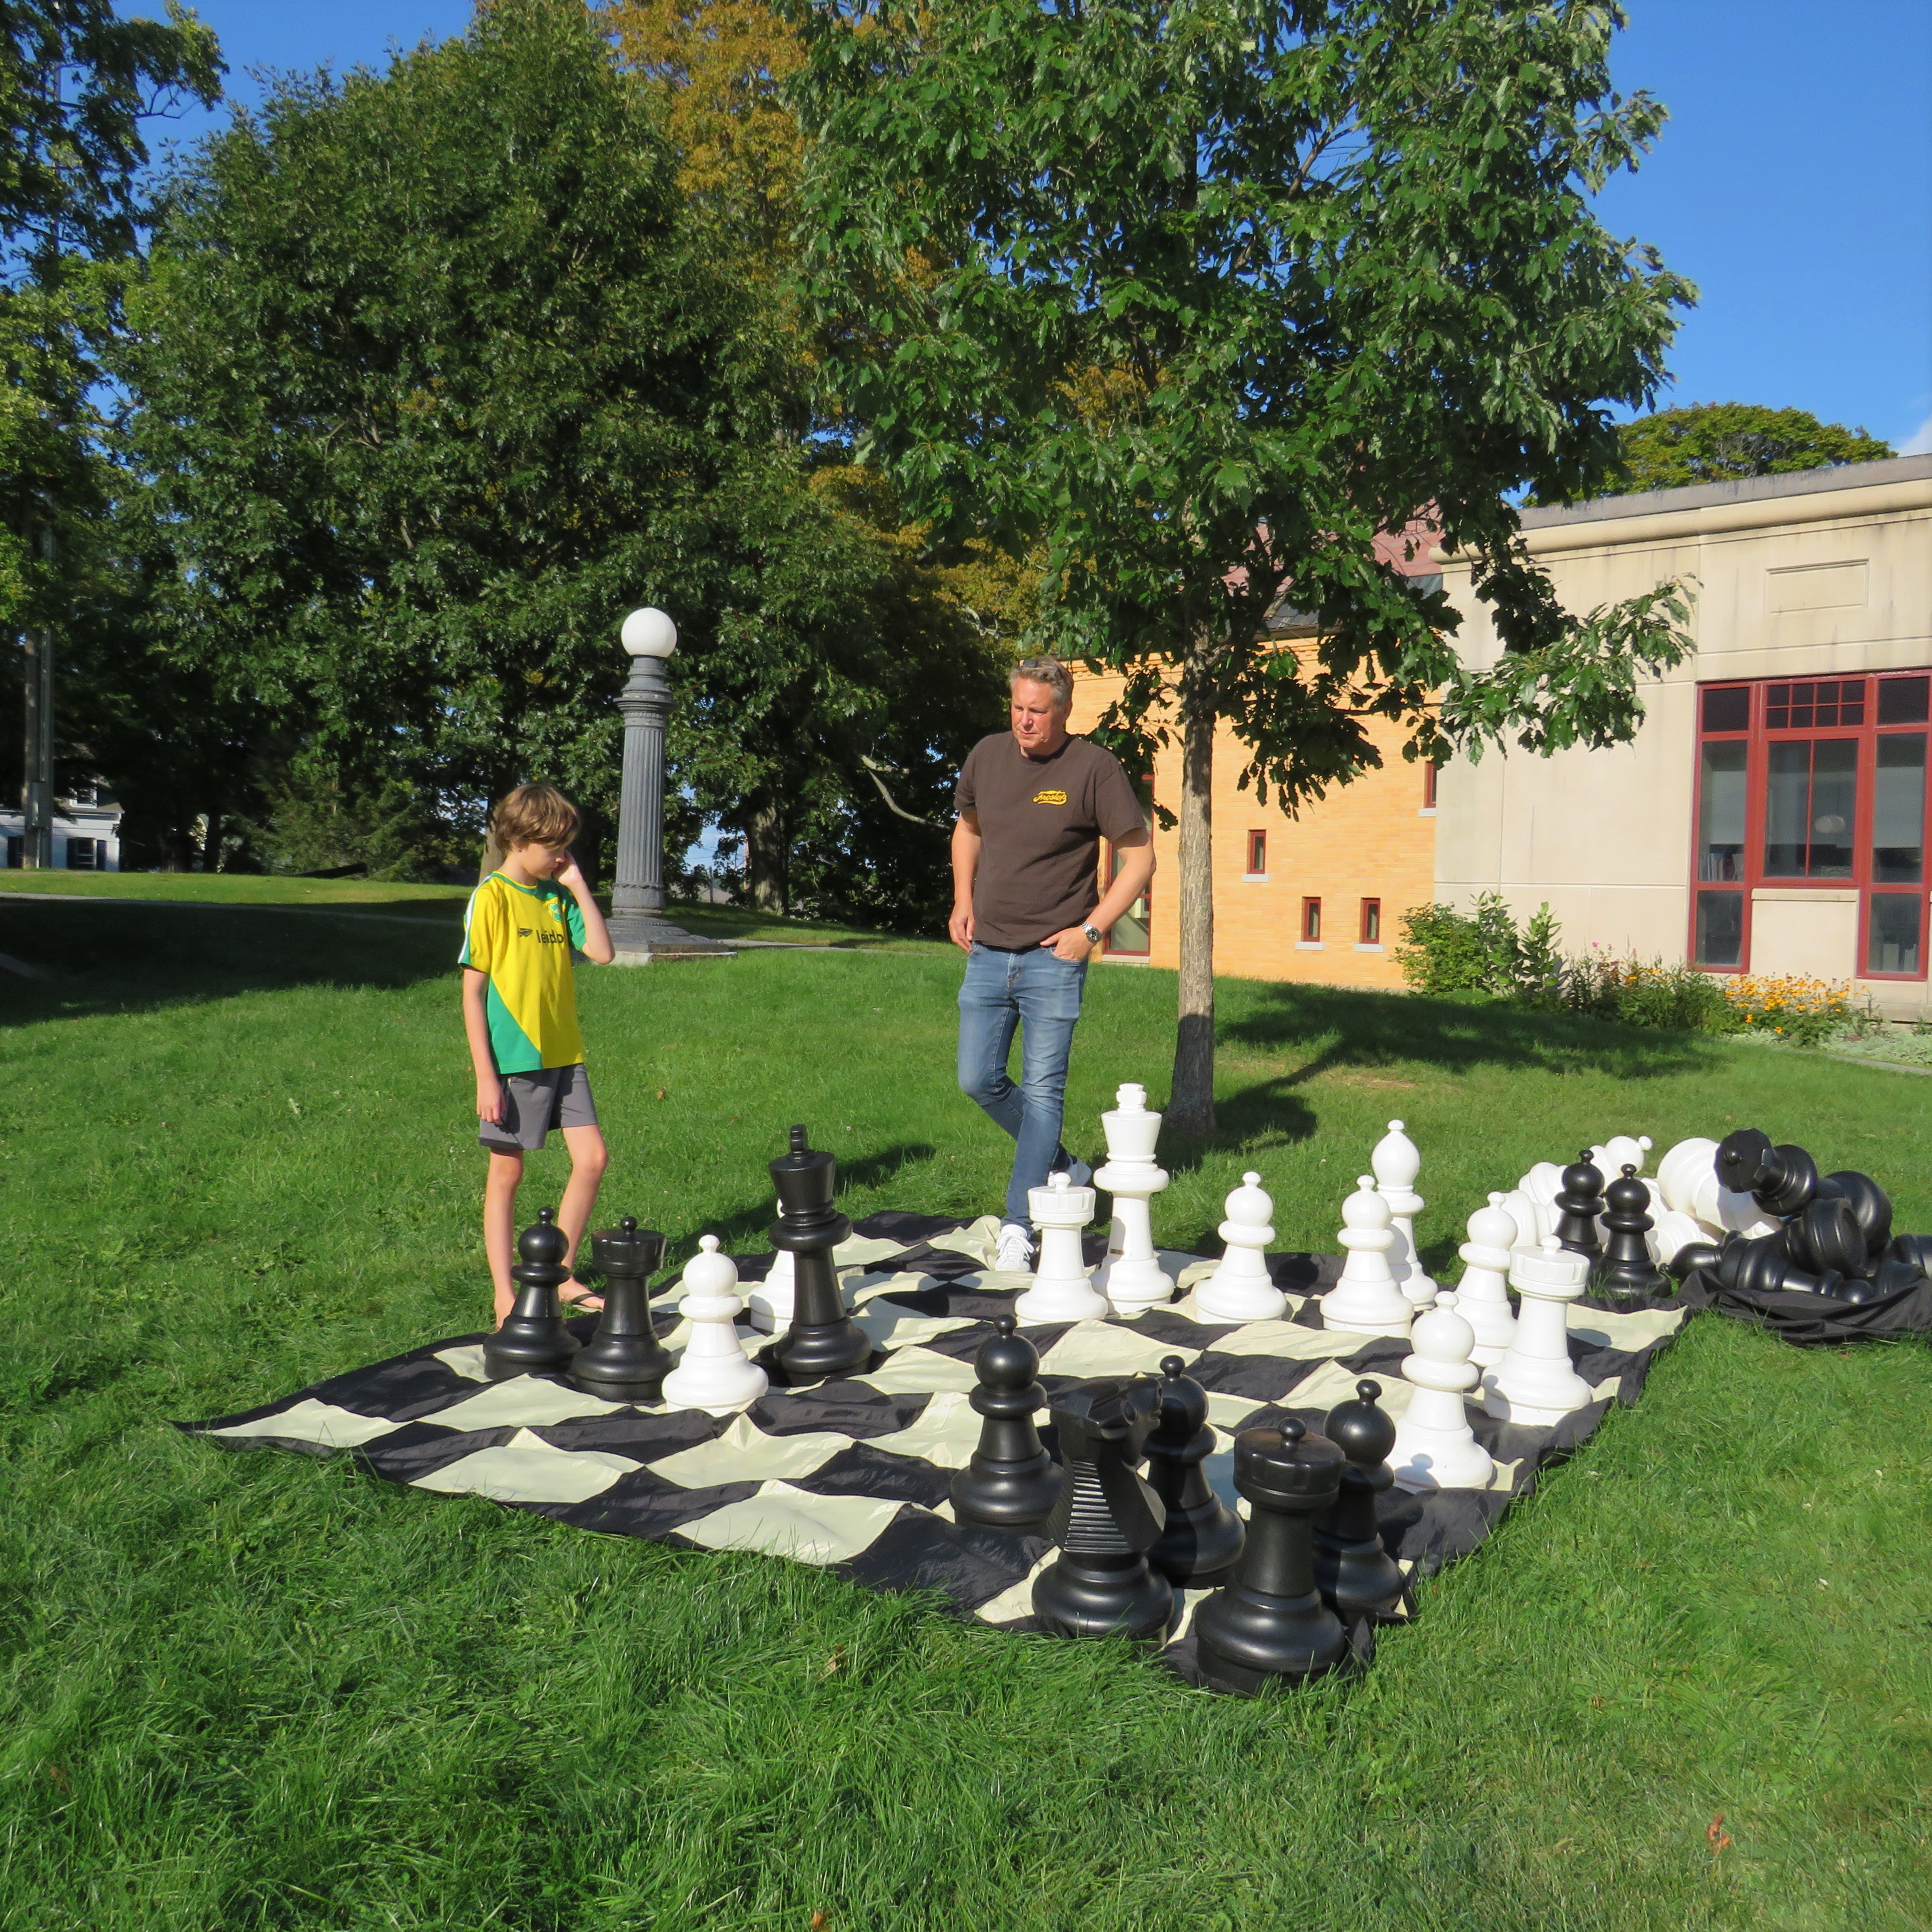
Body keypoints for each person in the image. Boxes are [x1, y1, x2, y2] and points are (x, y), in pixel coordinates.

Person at [951, 656, 1156, 1273]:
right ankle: (1066, 1168)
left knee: (1042, 1092)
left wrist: (1093, 930)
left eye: (1037, 711)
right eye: (1017, 708)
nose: (1024, 721)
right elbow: (968, 829)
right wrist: (963, 899)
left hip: (1053, 960)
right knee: (976, 1079)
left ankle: (1021, 1224)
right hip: (988, 951)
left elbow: (1139, 857)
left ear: (1065, 710)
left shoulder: (1095, 768)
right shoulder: (986, 756)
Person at [460, 783, 616, 1323]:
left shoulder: (559, 895)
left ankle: (562, 1274)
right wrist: (486, 1076)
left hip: (565, 1055)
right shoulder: (493, 897)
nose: (560, 856)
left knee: (592, 1160)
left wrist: (576, 883)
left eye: (565, 847)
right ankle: (505, 1294)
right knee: (507, 1175)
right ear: (519, 839)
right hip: (512, 1062)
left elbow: (601, 951)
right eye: (553, 847)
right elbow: (473, 993)